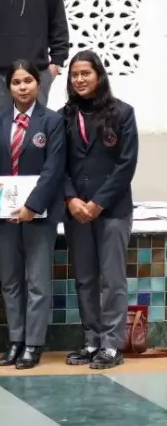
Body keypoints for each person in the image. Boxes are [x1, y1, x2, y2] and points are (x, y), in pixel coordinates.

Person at [0, 61, 65, 370]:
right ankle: (15, 340)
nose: (23, 86)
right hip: (6, 218)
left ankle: (33, 343)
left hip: (39, 215)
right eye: (16, 82)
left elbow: (53, 169)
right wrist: (0, 204)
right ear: (8, 88)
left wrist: (32, 206)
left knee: (38, 282)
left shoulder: (52, 121)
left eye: (28, 80)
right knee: (11, 282)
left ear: (37, 84)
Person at [62, 50, 139, 370]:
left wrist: (98, 202)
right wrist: (71, 199)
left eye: (85, 73)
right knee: (85, 279)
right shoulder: (63, 116)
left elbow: (126, 165)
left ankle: (110, 344)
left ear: (99, 75)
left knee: (112, 280)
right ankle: (91, 340)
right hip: (76, 211)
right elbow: (57, 166)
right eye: (74, 75)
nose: (79, 79)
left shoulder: (122, 112)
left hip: (112, 210)